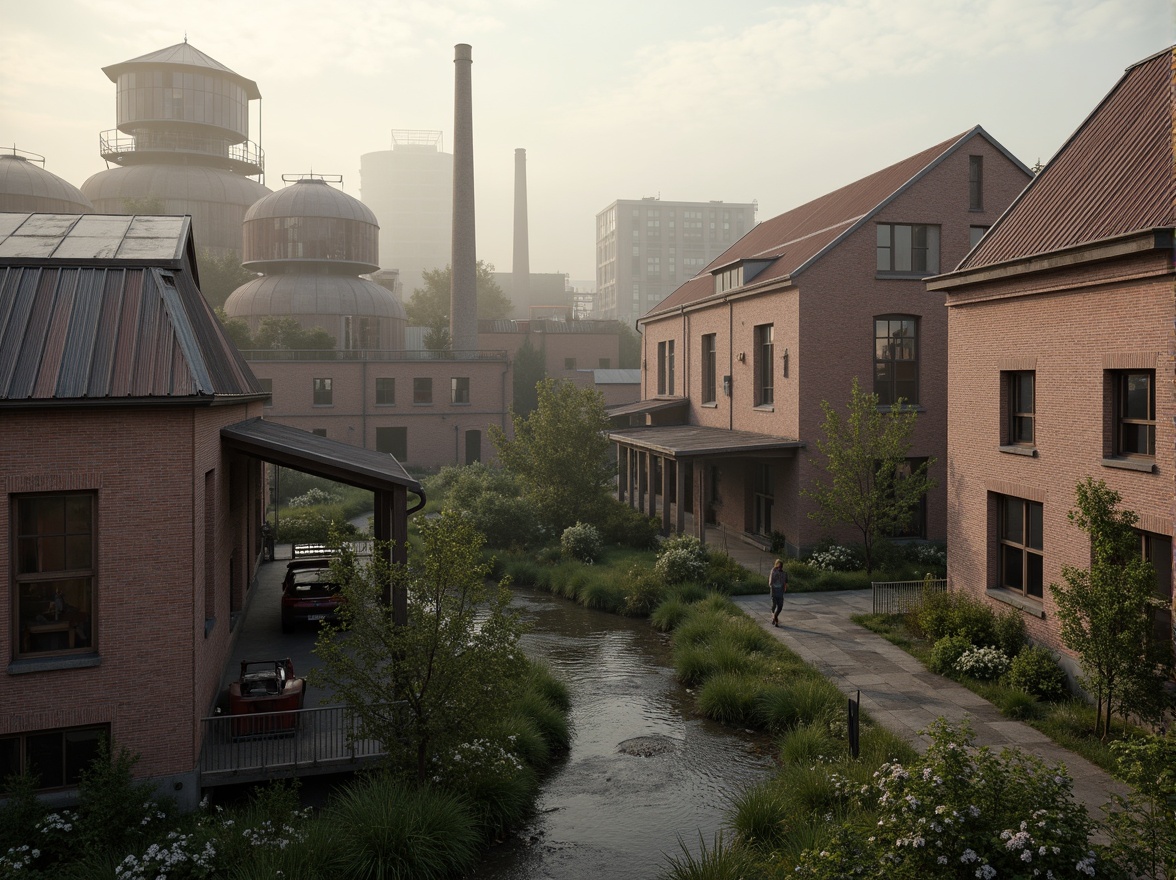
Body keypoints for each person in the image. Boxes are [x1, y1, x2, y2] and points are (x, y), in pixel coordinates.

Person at [768, 559, 788, 627]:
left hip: (780, 592)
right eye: (778, 566)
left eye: (781, 566)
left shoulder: (784, 573)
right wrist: (774, 570)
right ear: (776, 565)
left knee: (780, 606)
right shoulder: (773, 572)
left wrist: (784, 588)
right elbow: (770, 582)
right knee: (774, 605)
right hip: (774, 591)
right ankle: (775, 619)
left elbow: (785, 582)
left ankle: (774, 616)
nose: (780, 568)